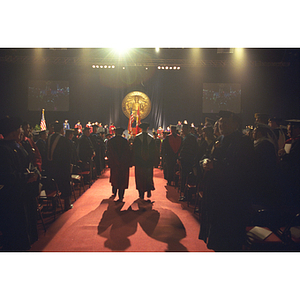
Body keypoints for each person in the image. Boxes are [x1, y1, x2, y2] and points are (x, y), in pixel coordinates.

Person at [199, 110, 255, 251]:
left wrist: (215, 165)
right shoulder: (220, 139)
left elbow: (241, 168)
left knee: (230, 238)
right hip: (216, 195)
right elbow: (207, 155)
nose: (222, 125)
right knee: (217, 233)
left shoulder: (243, 141)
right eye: (221, 122)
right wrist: (204, 161)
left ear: (235, 124)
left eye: (226, 122)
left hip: (232, 197)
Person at [0, 116, 39, 250]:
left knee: (26, 229)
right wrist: (26, 176)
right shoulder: (4, 150)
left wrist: (34, 173)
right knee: (15, 236)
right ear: (14, 132)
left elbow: (28, 163)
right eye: (20, 128)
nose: (22, 131)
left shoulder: (18, 146)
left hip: (24, 196)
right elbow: (6, 176)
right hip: (13, 199)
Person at [47, 121, 72, 211]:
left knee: (53, 185)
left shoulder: (49, 138)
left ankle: (55, 205)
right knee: (65, 185)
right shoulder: (64, 140)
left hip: (50, 167)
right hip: (62, 167)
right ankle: (67, 205)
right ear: (62, 130)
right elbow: (67, 155)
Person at [107, 127, 131, 201]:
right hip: (123, 163)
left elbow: (109, 152)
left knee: (115, 176)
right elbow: (128, 153)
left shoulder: (110, 141)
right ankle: (121, 195)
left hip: (114, 163)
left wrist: (113, 161)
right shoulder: (125, 141)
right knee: (122, 178)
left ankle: (114, 191)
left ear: (115, 132)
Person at [132, 122, 156, 199]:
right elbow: (154, 151)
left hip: (139, 162)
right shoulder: (151, 139)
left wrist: (134, 160)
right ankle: (148, 189)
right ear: (147, 128)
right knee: (148, 176)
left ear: (140, 128)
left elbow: (134, 151)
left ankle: (141, 193)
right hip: (148, 162)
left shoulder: (137, 138)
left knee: (140, 177)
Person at [177, 123, 199, 201]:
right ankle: (185, 195)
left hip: (188, 161)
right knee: (185, 178)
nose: (182, 130)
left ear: (187, 129)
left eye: (183, 129)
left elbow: (187, 150)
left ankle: (187, 196)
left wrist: (180, 158)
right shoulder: (187, 137)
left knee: (186, 178)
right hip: (186, 160)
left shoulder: (189, 138)